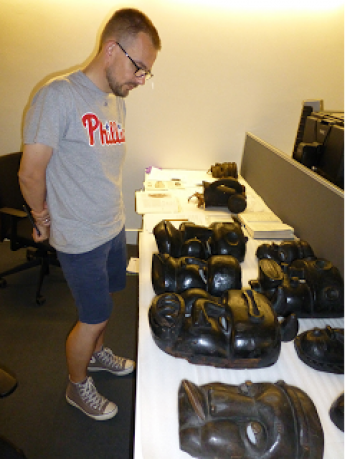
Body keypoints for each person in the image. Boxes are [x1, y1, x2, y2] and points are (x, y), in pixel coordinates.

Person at [19, 8, 161, 421]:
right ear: (111, 50)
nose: (140, 79)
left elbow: (98, 168)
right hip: (80, 236)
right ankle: (76, 385)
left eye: (146, 72)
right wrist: (41, 218)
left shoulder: (114, 99)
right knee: (92, 315)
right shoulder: (58, 95)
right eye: (139, 67)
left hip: (112, 226)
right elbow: (30, 172)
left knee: (107, 303)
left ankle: (97, 354)